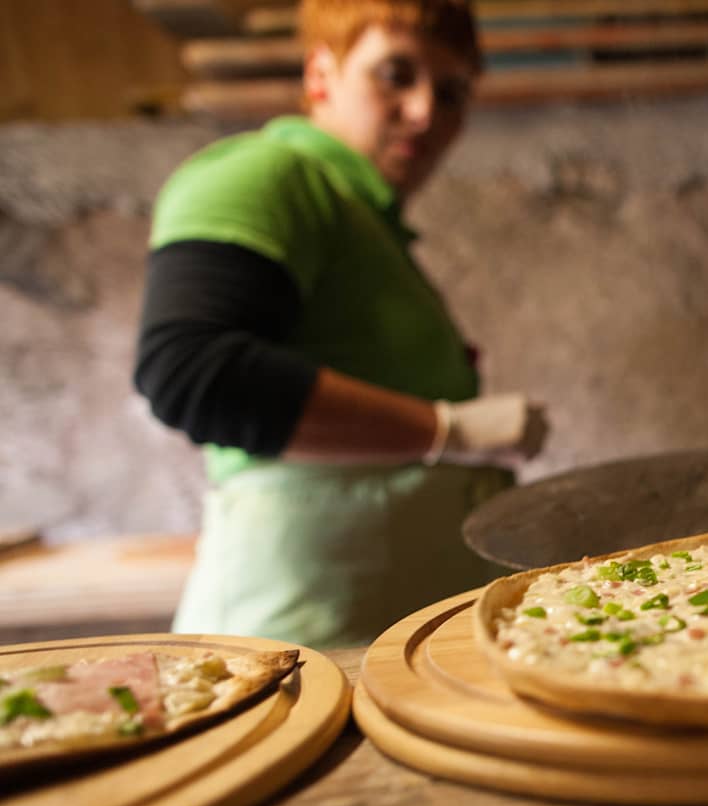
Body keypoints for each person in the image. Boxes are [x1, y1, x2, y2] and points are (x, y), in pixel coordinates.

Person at [135, 0, 548, 648]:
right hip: (298, 643)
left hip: (370, 634)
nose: (425, 111)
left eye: (452, 92)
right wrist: (449, 430)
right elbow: (191, 372)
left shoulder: (368, 226)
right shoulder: (265, 175)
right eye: (395, 74)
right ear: (320, 74)